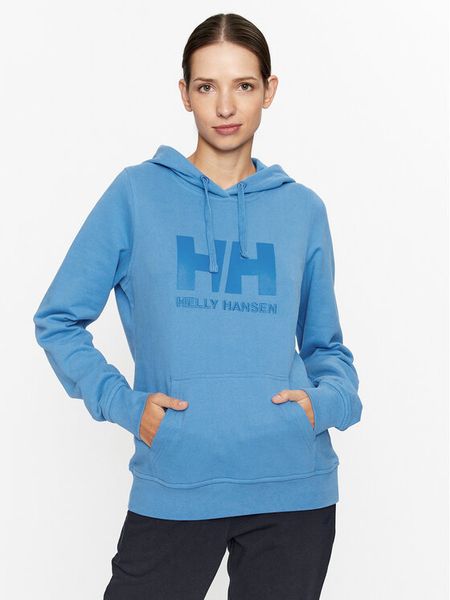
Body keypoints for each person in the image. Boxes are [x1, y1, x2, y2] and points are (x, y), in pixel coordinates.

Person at [33, 12, 363, 600]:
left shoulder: (302, 210)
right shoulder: (137, 194)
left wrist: (326, 404)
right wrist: (125, 406)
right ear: (184, 94)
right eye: (207, 86)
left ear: (269, 91)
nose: (225, 106)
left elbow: (326, 346)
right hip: (177, 482)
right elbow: (58, 319)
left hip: (293, 488)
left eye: (244, 85)